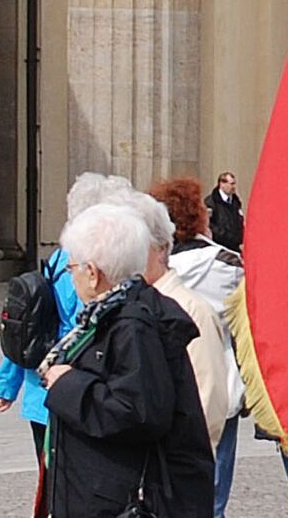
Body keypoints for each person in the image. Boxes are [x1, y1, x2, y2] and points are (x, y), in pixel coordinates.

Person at [42, 203, 214, 517]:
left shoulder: (132, 324)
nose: (71, 277)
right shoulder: (115, 315)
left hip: (125, 502)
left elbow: (138, 412)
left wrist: (67, 385)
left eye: (72, 268)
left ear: (93, 273)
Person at [0, 172, 119, 458]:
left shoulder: (58, 259)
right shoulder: (92, 268)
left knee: (50, 486)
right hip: (76, 394)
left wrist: (5, 383)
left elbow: (31, 323)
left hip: (40, 393)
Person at [151, 176, 247, 518]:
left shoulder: (151, 269)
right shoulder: (227, 265)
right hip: (218, 382)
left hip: (162, 386)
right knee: (213, 494)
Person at [111, 188, 230, 449]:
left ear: (162, 249)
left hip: (171, 465)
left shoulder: (191, 309)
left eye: (137, 248)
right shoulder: (123, 303)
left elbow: (207, 401)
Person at [206, 171, 244, 253]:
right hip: (220, 246)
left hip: (235, 246)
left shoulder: (235, 202)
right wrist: (223, 235)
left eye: (234, 184)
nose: (233, 187)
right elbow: (208, 224)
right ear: (222, 184)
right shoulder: (211, 202)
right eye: (231, 184)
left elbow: (240, 220)